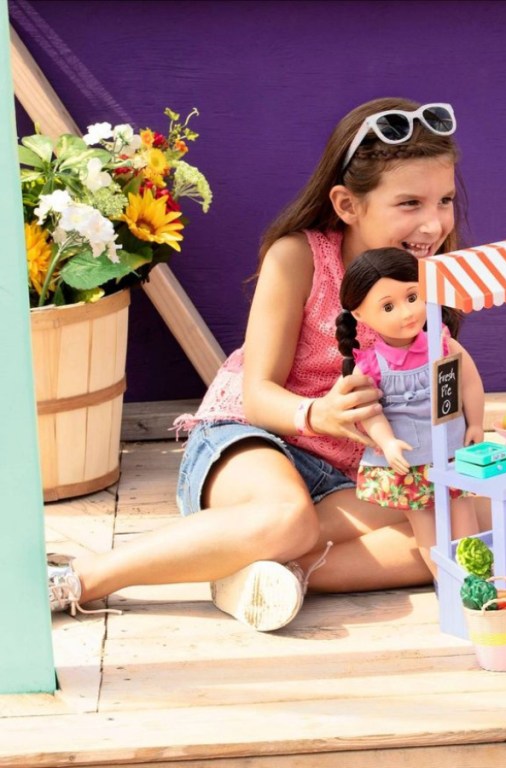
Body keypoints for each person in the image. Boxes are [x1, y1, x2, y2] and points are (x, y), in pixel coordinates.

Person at [48, 98, 468, 632]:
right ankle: (85, 576)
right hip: (253, 440)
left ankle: (259, 567)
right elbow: (257, 396)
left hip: (349, 473)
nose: (433, 223)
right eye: (410, 203)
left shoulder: (433, 281)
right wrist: (320, 415)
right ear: (347, 204)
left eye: (445, 200)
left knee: (451, 533)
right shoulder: (299, 258)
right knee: (287, 517)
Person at [336, 246, 483, 576]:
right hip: (408, 460)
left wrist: (476, 424)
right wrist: (386, 442)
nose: (406, 313)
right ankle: (445, 582)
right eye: (388, 306)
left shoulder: (442, 344)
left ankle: (477, 578)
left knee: (464, 516)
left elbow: (469, 381)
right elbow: (368, 410)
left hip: (451, 449)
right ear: (359, 315)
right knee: (426, 530)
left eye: (412, 297)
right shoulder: (370, 364)